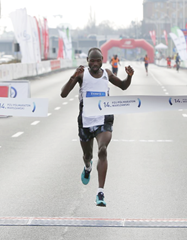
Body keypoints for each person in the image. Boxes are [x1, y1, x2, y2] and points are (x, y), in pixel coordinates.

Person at [60, 47, 134, 207]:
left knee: (102, 150)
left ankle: (100, 192)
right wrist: (72, 77)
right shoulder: (81, 74)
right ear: (87, 61)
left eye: (98, 60)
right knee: (88, 155)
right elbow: (63, 94)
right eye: (92, 60)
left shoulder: (107, 73)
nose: (95, 63)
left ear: (102, 60)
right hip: (85, 120)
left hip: (104, 119)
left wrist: (129, 77)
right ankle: (87, 166)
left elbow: (123, 86)